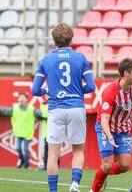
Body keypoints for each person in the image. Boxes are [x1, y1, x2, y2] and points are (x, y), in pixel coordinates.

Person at [32, 23, 96, 192]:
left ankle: (53, 191)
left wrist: (49, 90)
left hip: (56, 108)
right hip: (76, 107)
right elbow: (91, 87)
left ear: (54, 41)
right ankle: (74, 184)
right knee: (78, 150)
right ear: (71, 39)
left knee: (53, 154)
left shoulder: (46, 60)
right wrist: (74, 90)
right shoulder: (80, 58)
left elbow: (34, 90)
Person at [89, 58, 132, 192]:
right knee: (108, 165)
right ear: (126, 73)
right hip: (106, 129)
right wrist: (109, 136)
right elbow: (104, 120)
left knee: (125, 165)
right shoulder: (110, 92)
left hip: (123, 129)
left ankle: (103, 173)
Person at [0, 92, 43, 169]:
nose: (21, 99)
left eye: (23, 98)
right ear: (18, 99)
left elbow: (40, 114)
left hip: (27, 132)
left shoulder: (31, 109)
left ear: (26, 99)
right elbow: (6, 111)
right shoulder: (15, 108)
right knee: (18, 148)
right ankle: (23, 161)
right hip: (18, 132)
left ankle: (26, 164)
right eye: (20, 98)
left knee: (26, 149)